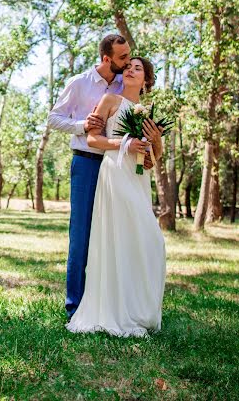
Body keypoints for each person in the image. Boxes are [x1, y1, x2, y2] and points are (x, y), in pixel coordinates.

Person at [48, 34, 150, 320]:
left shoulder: (123, 84)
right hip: (86, 163)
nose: (128, 61)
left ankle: (109, 302)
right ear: (107, 59)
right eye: (122, 58)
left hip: (117, 168)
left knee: (111, 235)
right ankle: (75, 307)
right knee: (80, 236)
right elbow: (54, 118)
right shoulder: (79, 83)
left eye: (129, 56)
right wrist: (82, 125)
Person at [67, 57, 166, 337]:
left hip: (137, 178)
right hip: (114, 171)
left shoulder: (147, 113)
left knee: (148, 241)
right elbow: (93, 139)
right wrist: (124, 143)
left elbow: (153, 156)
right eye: (129, 66)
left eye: (138, 68)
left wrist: (151, 151)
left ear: (146, 80)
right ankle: (113, 309)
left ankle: (138, 307)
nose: (131, 70)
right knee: (118, 238)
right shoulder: (110, 99)